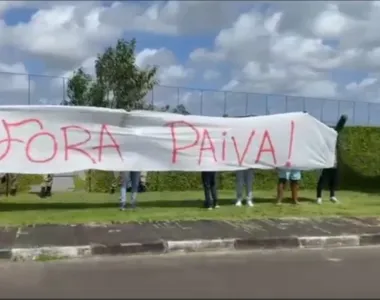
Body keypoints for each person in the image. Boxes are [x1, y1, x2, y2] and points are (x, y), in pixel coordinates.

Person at [316, 114, 347, 204]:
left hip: (335, 163)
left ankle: (332, 196)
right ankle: (319, 197)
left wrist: (343, 120)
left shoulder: (335, 141)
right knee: (322, 180)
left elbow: (337, 130)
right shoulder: (324, 142)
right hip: (326, 163)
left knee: (334, 180)